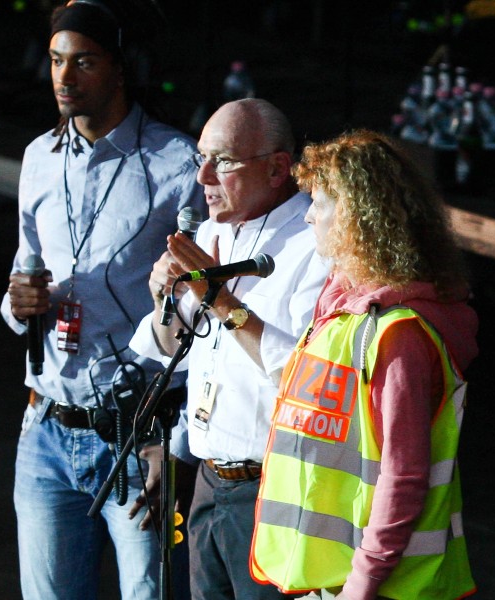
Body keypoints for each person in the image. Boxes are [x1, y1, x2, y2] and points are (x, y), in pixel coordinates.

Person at [0, 1, 206, 598]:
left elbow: (202, 315)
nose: (64, 78)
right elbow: (20, 283)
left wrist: (179, 446)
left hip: (139, 434)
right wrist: (18, 302)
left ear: (119, 68)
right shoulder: (40, 157)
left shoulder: (176, 164)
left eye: (83, 62)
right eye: (57, 61)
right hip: (46, 429)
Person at [250, 129, 479, 600]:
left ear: (358, 217)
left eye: (320, 202)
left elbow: (404, 476)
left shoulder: (399, 336)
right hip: (329, 581)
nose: (309, 215)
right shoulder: (342, 314)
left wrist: (361, 586)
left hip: (381, 588)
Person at [128, 98, 330, 599]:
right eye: (202, 157)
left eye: (223, 161)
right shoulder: (214, 232)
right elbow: (168, 347)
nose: (202, 177)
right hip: (208, 483)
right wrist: (164, 298)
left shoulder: (314, 244)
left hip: (274, 489)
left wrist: (221, 302)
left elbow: (304, 375)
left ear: (279, 167)